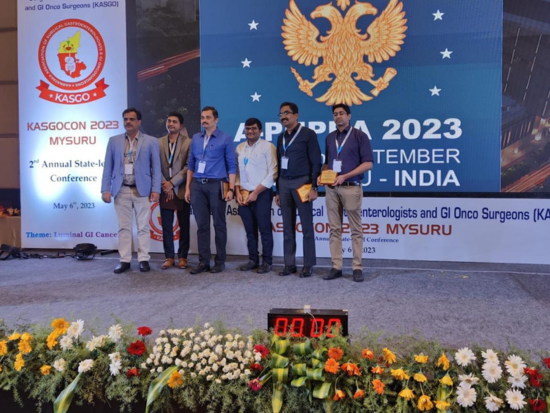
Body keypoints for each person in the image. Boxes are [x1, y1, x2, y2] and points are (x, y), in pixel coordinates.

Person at [101, 108, 161, 273]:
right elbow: (108, 167)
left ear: (139, 122)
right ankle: (125, 260)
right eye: (125, 119)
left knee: (143, 227)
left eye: (132, 119)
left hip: (142, 190)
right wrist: (105, 189)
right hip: (121, 190)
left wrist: (156, 189)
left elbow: (156, 168)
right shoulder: (114, 141)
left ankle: (143, 259)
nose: (128, 122)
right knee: (123, 228)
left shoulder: (151, 141)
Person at [319, 104, 373, 282]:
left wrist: (345, 176)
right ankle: (336, 266)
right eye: (335, 114)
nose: (338, 116)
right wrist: (322, 175)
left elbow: (368, 164)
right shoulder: (330, 137)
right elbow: (327, 163)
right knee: (334, 229)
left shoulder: (360, 136)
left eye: (342, 113)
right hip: (331, 189)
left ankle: (357, 267)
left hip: (351, 186)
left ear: (349, 116)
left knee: (355, 229)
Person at [185, 106, 236, 274]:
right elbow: (191, 164)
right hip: (197, 185)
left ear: (216, 119)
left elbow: (232, 166)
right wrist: (188, 188)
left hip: (217, 184)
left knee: (219, 224)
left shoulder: (226, 138)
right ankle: (203, 262)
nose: (204, 120)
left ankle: (220, 261)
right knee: (202, 226)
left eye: (208, 117)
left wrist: (231, 189)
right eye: (202, 117)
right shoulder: (196, 138)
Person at [275, 102, 322, 278]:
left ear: (296, 115)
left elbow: (316, 161)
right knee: (287, 227)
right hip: (283, 183)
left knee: (307, 226)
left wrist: (314, 187)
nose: (283, 117)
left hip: (303, 183)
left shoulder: (308, 134)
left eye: (287, 113)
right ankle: (289, 264)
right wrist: (277, 191)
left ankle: (308, 265)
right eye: (281, 114)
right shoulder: (280, 138)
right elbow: (278, 164)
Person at [235, 118, 277, 274]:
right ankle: (253, 260)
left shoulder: (268, 147)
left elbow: (273, 173)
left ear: (260, 131)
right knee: (249, 230)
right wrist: (237, 191)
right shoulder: (240, 148)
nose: (250, 131)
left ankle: (267, 261)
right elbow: (237, 173)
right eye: (247, 128)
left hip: (262, 193)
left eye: (253, 128)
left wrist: (256, 193)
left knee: (264, 229)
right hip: (244, 194)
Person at [158, 112, 191, 270]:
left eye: (174, 122)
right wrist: (165, 184)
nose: (171, 124)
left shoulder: (188, 142)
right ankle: (169, 257)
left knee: (184, 225)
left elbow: (188, 167)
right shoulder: (158, 142)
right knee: (166, 225)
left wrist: (172, 183)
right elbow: (154, 165)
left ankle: (183, 257)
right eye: (169, 121)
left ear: (181, 125)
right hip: (164, 189)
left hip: (182, 189)